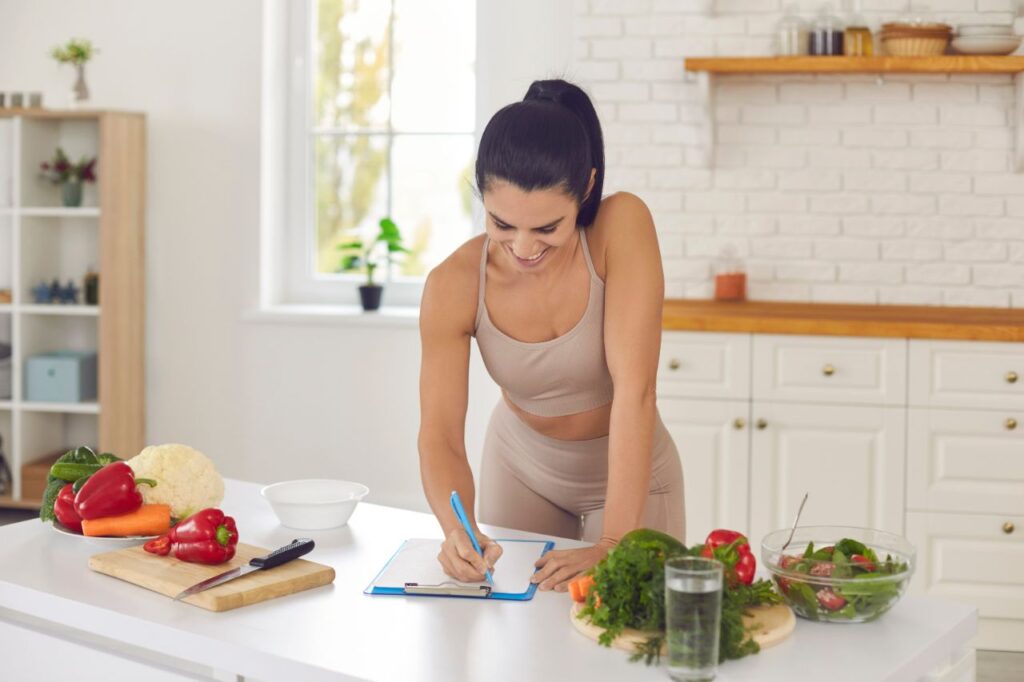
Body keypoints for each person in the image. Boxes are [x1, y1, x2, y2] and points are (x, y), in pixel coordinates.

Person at [418, 79, 684, 593]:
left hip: (632, 473)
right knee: (520, 631)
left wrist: (613, 543)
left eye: (547, 228)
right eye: (501, 224)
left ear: (586, 188)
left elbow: (637, 391)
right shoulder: (452, 284)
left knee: (632, 626)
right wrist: (457, 530)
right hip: (520, 468)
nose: (523, 247)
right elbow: (440, 434)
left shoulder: (620, 225)